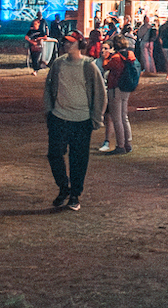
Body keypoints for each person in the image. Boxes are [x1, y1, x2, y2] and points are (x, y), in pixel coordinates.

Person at [44, 31, 107, 211]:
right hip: (59, 117)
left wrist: (96, 117)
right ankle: (64, 187)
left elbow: (100, 93)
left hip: (81, 119)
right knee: (54, 154)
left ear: (80, 44)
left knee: (78, 159)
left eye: (71, 42)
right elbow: (49, 88)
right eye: (65, 42)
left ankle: (74, 194)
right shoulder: (58, 64)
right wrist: (49, 111)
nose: (67, 45)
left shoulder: (89, 66)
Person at [101, 35, 138, 154]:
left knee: (117, 118)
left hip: (116, 88)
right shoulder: (129, 56)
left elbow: (106, 66)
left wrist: (106, 58)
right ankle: (128, 143)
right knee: (124, 117)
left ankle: (120, 145)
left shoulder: (116, 58)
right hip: (126, 88)